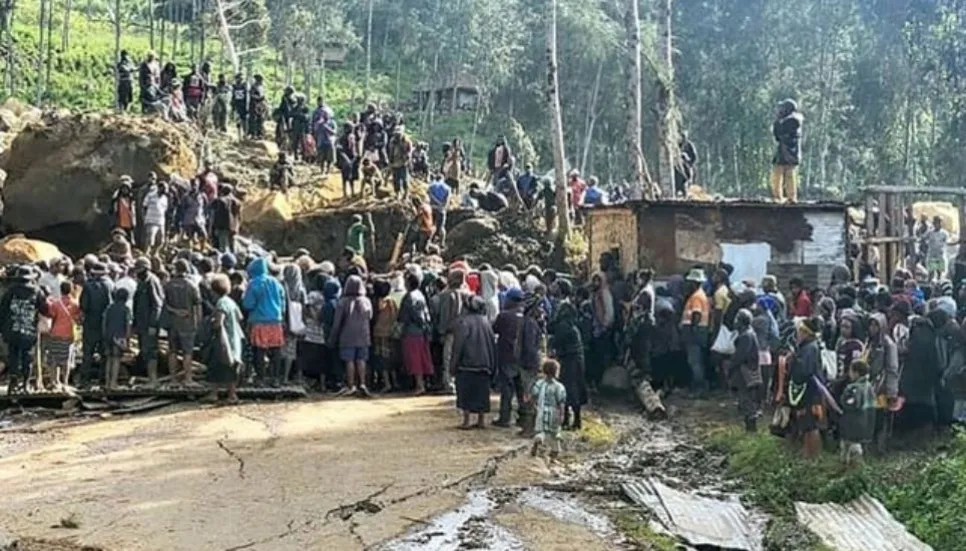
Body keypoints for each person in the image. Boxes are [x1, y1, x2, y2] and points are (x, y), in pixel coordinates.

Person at [493, 288, 541, 430]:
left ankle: (505, 417)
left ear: (510, 300)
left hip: (507, 357)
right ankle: (523, 418)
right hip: (524, 360)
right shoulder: (529, 320)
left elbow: (494, 329)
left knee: (507, 389)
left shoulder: (504, 316)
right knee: (522, 390)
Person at [0, 266, 50, 392]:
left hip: (12, 330)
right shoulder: (37, 292)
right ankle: (26, 383)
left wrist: (2, 329)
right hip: (29, 331)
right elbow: (45, 309)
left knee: (13, 356)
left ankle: (13, 382)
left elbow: (2, 310)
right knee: (27, 357)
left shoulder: (10, 291)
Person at [449, 295, 496, 429]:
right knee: (482, 393)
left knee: (465, 394)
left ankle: (467, 420)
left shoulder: (463, 322)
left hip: (466, 365)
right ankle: (481, 420)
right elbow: (492, 345)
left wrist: (453, 365)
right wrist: (493, 365)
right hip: (484, 364)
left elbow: (458, 346)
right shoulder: (486, 322)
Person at [549, 280, 587, 430]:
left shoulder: (565, 326)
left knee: (570, 389)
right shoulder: (572, 326)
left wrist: (552, 344)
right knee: (572, 388)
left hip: (569, 359)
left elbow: (556, 337)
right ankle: (570, 419)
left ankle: (573, 420)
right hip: (573, 357)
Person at [243, 257, 287, 385]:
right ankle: (276, 379)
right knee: (276, 350)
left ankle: (260, 378)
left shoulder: (253, 283)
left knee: (259, 350)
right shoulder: (276, 282)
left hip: (259, 321)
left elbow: (248, 304)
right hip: (276, 321)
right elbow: (283, 302)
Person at [328, 274, 373, 397]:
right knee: (361, 359)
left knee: (349, 361)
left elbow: (337, 323)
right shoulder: (366, 301)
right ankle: (363, 384)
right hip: (364, 336)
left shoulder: (343, 302)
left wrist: (332, 338)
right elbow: (370, 317)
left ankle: (351, 385)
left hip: (347, 336)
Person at [788, 317, 825, 459]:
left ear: (805, 333)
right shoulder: (807, 347)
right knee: (806, 424)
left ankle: (813, 455)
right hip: (808, 389)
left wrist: (794, 360)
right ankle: (807, 454)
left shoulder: (810, 348)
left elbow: (805, 370)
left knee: (811, 425)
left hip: (810, 390)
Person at [164, 259, 202, 385]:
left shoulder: (168, 285)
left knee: (172, 351)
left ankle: (173, 379)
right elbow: (197, 305)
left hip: (172, 322)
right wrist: (198, 323)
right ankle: (188, 379)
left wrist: (175, 311)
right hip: (188, 323)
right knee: (187, 352)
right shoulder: (191, 285)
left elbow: (164, 304)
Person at [866, 312, 899, 453]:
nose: (872, 328)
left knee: (881, 418)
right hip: (869, 385)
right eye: (871, 324)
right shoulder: (869, 342)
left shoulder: (888, 344)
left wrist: (892, 392)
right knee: (868, 416)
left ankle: (880, 448)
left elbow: (892, 368)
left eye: (876, 325)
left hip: (882, 387)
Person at [398, 271, 434, 395]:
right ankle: (422, 383)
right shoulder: (420, 294)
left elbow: (405, 316)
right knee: (421, 357)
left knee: (415, 359)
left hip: (411, 332)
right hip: (422, 331)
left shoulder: (409, 297)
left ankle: (419, 385)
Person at [78, 262, 113, 386]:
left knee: (88, 353)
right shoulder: (110, 284)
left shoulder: (88, 286)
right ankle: (103, 379)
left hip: (90, 323)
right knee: (104, 353)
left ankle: (84, 380)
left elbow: (83, 306)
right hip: (105, 324)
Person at [133, 257, 164, 387]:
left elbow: (157, 305)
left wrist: (153, 324)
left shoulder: (152, 281)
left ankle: (153, 379)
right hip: (141, 323)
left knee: (151, 351)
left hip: (149, 325)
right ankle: (149, 378)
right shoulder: (142, 281)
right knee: (144, 350)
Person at [437, 269, 469, 394]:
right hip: (464, 331)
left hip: (450, 332)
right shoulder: (467, 294)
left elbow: (444, 316)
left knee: (448, 358)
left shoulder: (446, 295)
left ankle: (449, 384)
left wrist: (441, 331)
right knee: (462, 358)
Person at [731, 309, 763, 432]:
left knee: (746, 399)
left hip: (745, 372)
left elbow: (740, 356)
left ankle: (751, 429)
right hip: (748, 370)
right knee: (746, 399)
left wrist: (731, 367)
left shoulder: (746, 336)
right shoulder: (749, 333)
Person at [839, 359, 876, 467]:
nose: (849, 374)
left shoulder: (854, 388)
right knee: (855, 445)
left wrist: (843, 399)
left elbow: (851, 403)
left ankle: (853, 466)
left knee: (851, 447)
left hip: (853, 424)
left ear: (856, 373)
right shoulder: (869, 386)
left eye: (850, 371)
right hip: (866, 423)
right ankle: (848, 466)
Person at [45, 280, 79, 391]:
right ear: (71, 290)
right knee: (66, 359)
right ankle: (65, 382)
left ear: (61, 290)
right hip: (69, 334)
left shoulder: (55, 304)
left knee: (54, 358)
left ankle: (54, 381)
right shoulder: (75, 304)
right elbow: (78, 318)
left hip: (55, 333)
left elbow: (51, 315)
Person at [530, 359, 567, 460]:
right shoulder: (559, 387)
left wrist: (535, 407)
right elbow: (561, 403)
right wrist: (562, 415)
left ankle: (537, 442)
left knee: (541, 431)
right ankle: (553, 457)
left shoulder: (539, 383)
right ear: (556, 371)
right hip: (554, 413)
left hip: (541, 412)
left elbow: (533, 396)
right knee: (554, 435)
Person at [681, 268, 710, 395]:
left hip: (695, 332)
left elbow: (696, 315)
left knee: (694, 361)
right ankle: (699, 386)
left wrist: (692, 330)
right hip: (698, 331)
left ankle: (699, 388)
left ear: (694, 283)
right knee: (696, 360)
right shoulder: (700, 295)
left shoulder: (696, 297)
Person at [771, 98, 804, 203]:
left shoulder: (793, 120)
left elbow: (780, 132)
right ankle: (778, 197)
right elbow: (777, 135)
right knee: (777, 174)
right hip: (783, 151)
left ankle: (791, 197)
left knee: (789, 174)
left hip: (789, 152)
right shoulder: (786, 120)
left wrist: (778, 121)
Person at [102, 287, 132, 389]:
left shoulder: (108, 308)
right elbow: (127, 325)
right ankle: (113, 383)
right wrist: (127, 339)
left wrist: (104, 334)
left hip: (108, 335)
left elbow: (104, 322)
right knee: (116, 359)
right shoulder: (126, 309)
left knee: (108, 359)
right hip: (119, 337)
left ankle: (107, 382)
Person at [210, 184, 241, 253]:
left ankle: (223, 261)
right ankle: (234, 261)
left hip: (222, 227)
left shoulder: (220, 201)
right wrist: (237, 227)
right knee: (232, 247)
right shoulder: (237, 202)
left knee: (223, 248)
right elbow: (238, 216)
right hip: (233, 227)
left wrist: (212, 228)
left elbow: (215, 215)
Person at [142, 181, 169, 255]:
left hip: (160, 222)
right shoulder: (150, 195)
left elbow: (164, 210)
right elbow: (144, 206)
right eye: (164, 188)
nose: (165, 190)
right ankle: (146, 253)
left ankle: (154, 253)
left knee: (161, 241)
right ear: (159, 188)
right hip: (151, 220)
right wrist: (144, 217)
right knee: (150, 239)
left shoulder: (165, 199)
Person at [180, 180, 208, 249]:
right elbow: (182, 207)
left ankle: (202, 249)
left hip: (199, 219)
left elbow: (206, 206)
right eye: (192, 185)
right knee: (190, 237)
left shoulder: (202, 195)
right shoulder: (186, 196)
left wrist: (205, 215)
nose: (194, 186)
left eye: (195, 185)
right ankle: (190, 252)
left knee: (204, 235)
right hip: (189, 219)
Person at [388, 126, 413, 199]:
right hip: (395, 163)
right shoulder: (392, 141)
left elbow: (409, 152)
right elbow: (391, 152)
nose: (397, 135)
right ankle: (397, 193)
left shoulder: (406, 141)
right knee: (396, 179)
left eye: (398, 134)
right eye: (396, 134)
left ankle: (406, 193)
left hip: (403, 163)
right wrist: (391, 161)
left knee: (405, 179)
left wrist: (407, 158)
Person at [427, 173, 451, 247]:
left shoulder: (431, 186)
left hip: (432, 208)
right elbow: (447, 200)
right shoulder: (447, 188)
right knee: (441, 227)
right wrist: (442, 205)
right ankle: (442, 243)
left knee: (431, 226)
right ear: (443, 179)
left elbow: (428, 195)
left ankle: (429, 242)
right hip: (441, 210)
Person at [110, 176, 137, 242]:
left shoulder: (131, 198)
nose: (124, 190)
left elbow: (133, 211)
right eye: (123, 188)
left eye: (126, 189)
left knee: (130, 237)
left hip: (128, 220)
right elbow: (114, 209)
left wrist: (133, 220)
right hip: (120, 220)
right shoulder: (117, 197)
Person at [313, 99, 336, 173]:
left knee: (329, 157)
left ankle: (328, 169)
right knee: (321, 157)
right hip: (321, 141)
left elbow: (334, 132)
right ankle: (322, 170)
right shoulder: (319, 122)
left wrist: (327, 128)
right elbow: (315, 130)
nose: (325, 115)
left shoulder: (332, 123)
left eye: (326, 114)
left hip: (329, 141)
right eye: (323, 114)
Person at [337, 122, 359, 197]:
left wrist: (356, 155)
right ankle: (345, 192)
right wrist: (345, 158)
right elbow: (340, 149)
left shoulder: (353, 136)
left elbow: (355, 147)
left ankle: (352, 191)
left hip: (352, 157)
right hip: (345, 158)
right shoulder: (342, 137)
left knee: (352, 176)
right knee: (344, 176)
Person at [925, 216, 949, 281]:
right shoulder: (930, 232)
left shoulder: (944, 233)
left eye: (939, 222)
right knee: (931, 271)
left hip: (940, 254)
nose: (938, 224)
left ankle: (939, 282)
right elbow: (923, 238)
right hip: (932, 254)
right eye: (936, 222)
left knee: (939, 271)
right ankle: (929, 284)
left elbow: (947, 242)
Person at [674, 132, 697, 197]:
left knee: (688, 176)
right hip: (678, 163)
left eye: (683, 137)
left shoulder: (689, 145)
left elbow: (694, 156)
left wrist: (689, 161)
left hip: (687, 163)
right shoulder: (677, 145)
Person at [289, 95, 311, 161]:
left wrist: (300, 115)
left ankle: (304, 157)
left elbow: (307, 117)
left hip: (302, 128)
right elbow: (290, 114)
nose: (299, 101)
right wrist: (296, 114)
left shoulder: (305, 108)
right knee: (295, 142)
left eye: (301, 100)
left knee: (303, 143)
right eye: (299, 100)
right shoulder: (295, 108)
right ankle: (296, 156)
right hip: (295, 127)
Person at [248, 75, 268, 139]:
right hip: (254, 105)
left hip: (261, 106)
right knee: (253, 119)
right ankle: (253, 134)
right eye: (260, 80)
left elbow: (264, 96)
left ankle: (260, 134)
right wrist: (259, 98)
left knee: (261, 119)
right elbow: (252, 95)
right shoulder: (253, 87)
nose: (262, 81)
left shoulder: (262, 87)